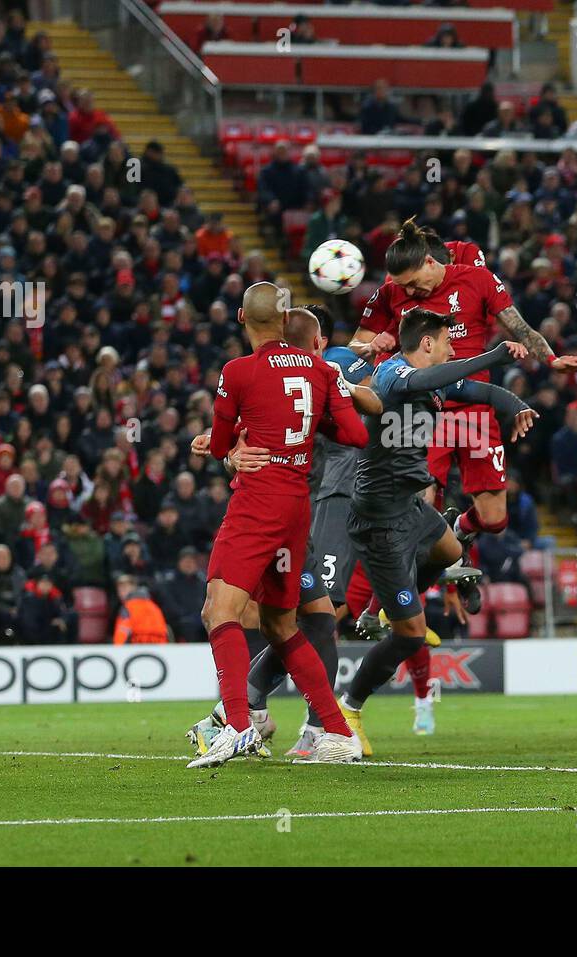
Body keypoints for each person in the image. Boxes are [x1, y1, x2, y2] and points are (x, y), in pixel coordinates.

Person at [337, 309, 537, 755]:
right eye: (447, 342)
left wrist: (513, 405)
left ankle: (390, 609)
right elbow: (440, 378)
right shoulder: (393, 375)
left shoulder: (431, 378)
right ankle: (350, 709)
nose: (452, 350)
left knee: (449, 549)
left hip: (408, 505)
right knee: (411, 635)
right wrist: (494, 354)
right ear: (427, 344)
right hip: (380, 517)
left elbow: (474, 389)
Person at [189, 282, 368, 768]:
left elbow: (227, 441)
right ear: (286, 322)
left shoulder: (237, 371)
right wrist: (313, 424)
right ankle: (336, 730)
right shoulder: (319, 368)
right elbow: (354, 433)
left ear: (243, 317)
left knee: (218, 612)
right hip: (296, 508)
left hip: (258, 503)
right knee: (281, 624)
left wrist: (225, 446)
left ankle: (239, 726)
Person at [348, 220, 577, 555]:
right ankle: (405, 594)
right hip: (422, 411)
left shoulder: (475, 279)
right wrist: (371, 344)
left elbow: (519, 326)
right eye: (402, 286)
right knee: (419, 509)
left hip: (474, 405)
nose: (407, 293)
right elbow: (354, 348)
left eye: (413, 283)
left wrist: (551, 360)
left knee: (494, 519)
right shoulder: (390, 294)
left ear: (431, 263)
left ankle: (461, 529)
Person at [112, 574, 169, 644]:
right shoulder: (153, 605)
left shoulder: (128, 607)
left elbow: (122, 632)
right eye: (119, 589)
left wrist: (117, 650)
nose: (121, 592)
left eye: (125, 588)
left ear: (133, 588)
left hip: (138, 647)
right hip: (159, 648)